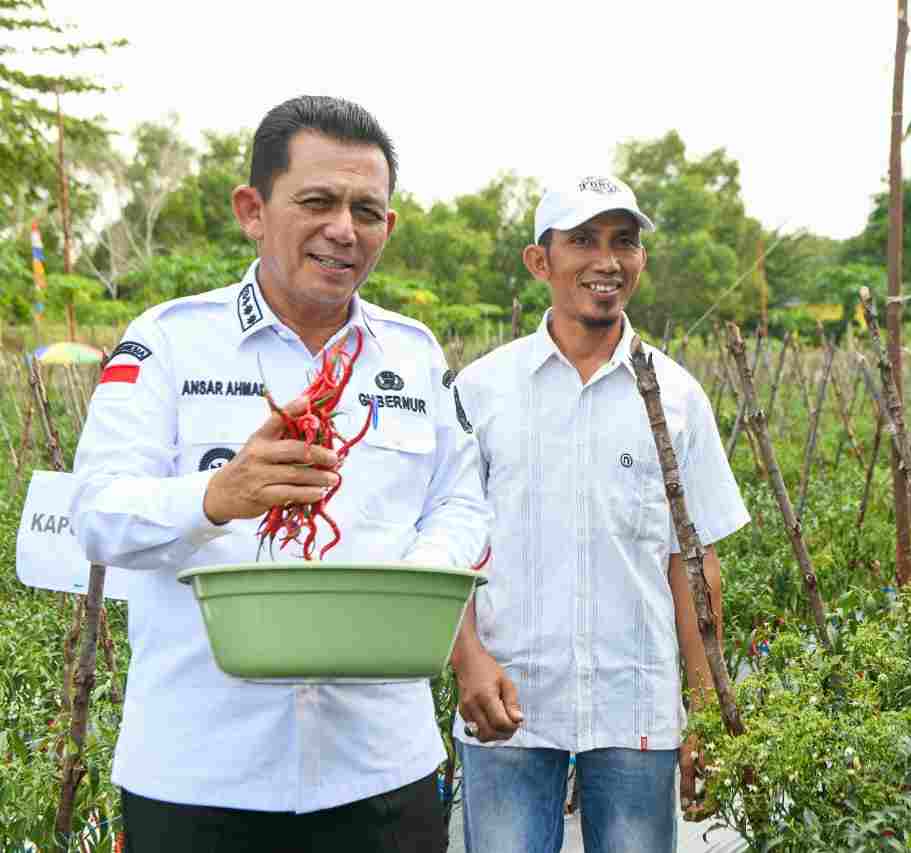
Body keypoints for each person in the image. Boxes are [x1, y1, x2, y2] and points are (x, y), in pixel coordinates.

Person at [71, 95, 489, 852]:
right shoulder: (167, 343)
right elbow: (97, 513)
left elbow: (462, 503)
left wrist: (412, 585)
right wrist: (216, 496)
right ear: (252, 210)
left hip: (382, 775)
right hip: (200, 778)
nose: (344, 229)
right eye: (318, 201)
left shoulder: (413, 355)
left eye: (367, 209)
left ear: (387, 227)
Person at [448, 175, 750, 852]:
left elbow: (694, 563)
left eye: (624, 241)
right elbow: (449, 544)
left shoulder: (676, 396)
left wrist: (703, 708)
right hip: (508, 705)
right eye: (582, 240)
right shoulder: (484, 390)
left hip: (635, 704)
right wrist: (467, 658)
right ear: (540, 260)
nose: (607, 260)